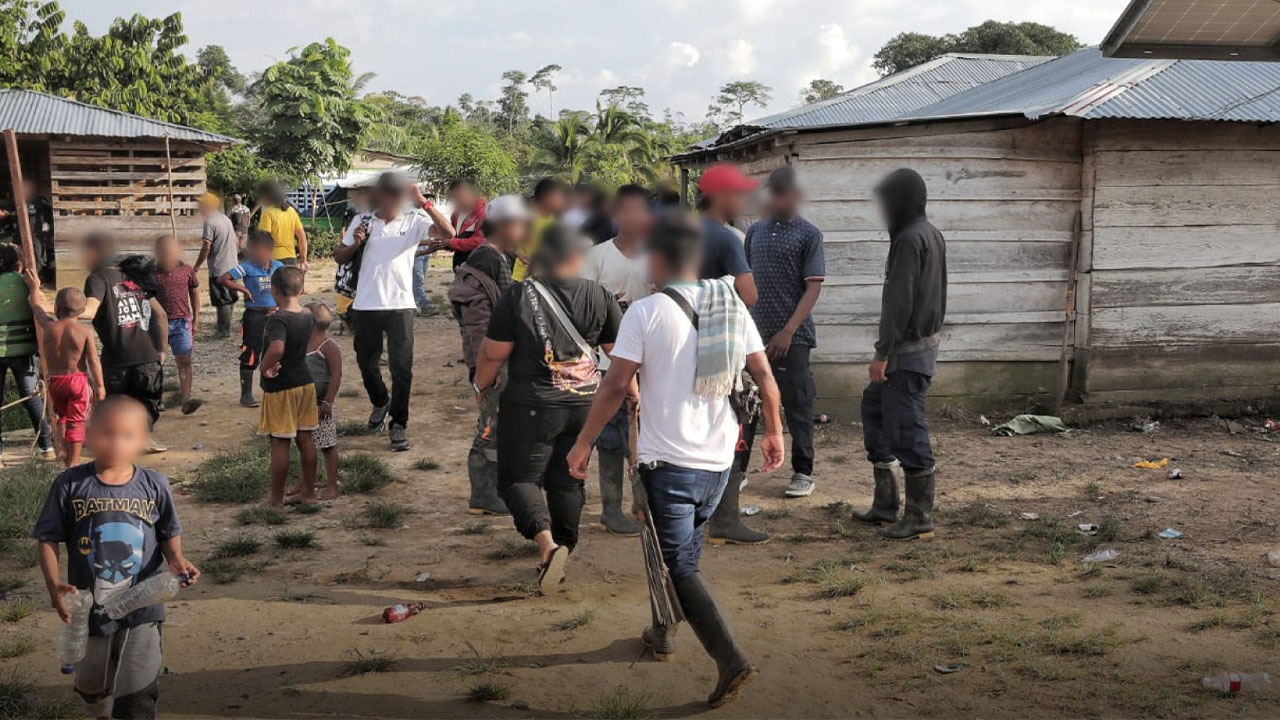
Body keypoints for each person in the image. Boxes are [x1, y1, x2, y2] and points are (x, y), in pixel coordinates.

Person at [566, 209, 783, 708]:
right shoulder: (731, 305)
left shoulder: (644, 312)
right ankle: (663, 627)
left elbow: (616, 385)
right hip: (718, 462)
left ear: (661, 259)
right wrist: (774, 431)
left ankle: (730, 657)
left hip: (669, 465)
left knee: (679, 564)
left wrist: (583, 444)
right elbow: (766, 379)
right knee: (682, 556)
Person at [474, 223, 621, 593]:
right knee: (568, 478)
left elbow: (494, 352)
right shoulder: (600, 295)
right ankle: (566, 547)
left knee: (517, 479)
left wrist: (481, 384)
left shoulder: (518, 295)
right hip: (586, 404)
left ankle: (547, 545)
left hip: (531, 406)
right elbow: (617, 354)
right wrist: (631, 393)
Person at [33, 395, 200, 719]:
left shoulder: (154, 484)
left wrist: (177, 558)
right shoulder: (70, 485)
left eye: (127, 435)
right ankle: (100, 709)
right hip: (89, 609)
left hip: (144, 606)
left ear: (143, 441)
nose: (116, 443)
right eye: (106, 433)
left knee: (137, 693)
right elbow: (48, 538)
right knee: (92, 684)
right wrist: (54, 585)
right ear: (89, 433)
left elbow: (168, 531)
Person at [852, 168, 946, 541]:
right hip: (913, 350)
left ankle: (920, 515)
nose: (884, 209)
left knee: (907, 429)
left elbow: (899, 301)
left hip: (906, 353)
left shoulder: (910, 239)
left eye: (888, 200)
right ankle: (886, 504)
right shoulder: (929, 234)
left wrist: (883, 353)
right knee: (874, 410)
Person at [333, 172, 454, 452]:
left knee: (402, 369)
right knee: (366, 364)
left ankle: (398, 424)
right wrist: (356, 242)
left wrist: (423, 201)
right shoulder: (362, 221)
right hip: (365, 304)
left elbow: (449, 234)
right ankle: (379, 401)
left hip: (400, 306)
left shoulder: (414, 221)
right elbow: (339, 256)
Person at [744, 166, 825, 499]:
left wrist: (788, 331)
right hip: (754, 334)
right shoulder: (754, 232)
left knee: (797, 404)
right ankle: (737, 470)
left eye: (786, 193)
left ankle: (803, 471)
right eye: (774, 193)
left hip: (795, 336)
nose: (780, 199)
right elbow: (744, 283)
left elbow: (812, 288)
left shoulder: (809, 234)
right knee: (746, 402)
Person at [579, 184, 653, 535]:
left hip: (653, 364)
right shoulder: (596, 257)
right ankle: (611, 508)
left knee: (649, 436)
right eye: (628, 210)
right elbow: (583, 310)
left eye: (641, 210)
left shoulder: (659, 256)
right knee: (611, 437)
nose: (635, 218)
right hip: (610, 364)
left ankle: (645, 506)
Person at [448, 195, 526, 516]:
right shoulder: (486, 259)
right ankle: (483, 493)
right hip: (492, 358)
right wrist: (486, 365)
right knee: (490, 424)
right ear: (505, 226)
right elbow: (478, 319)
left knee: (501, 423)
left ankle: (496, 489)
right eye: (520, 224)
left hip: (500, 355)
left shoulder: (499, 257)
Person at [79, 234, 169, 452]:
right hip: (148, 355)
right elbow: (161, 315)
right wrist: (162, 349)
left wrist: (55, 310)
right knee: (145, 402)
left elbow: (89, 311)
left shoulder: (97, 279)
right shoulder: (134, 276)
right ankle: (144, 438)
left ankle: (115, 443)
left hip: (117, 357)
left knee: (114, 403)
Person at [23, 271, 101, 466]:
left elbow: (36, 307)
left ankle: (63, 450)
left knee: (61, 416)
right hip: (78, 380)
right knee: (77, 422)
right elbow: (93, 361)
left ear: (56, 308)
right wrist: (100, 386)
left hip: (55, 381)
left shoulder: (49, 328)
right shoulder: (84, 331)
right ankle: (72, 463)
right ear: (82, 311)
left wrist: (35, 288)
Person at [255, 266, 318, 507]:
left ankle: (276, 501)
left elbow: (278, 348)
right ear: (301, 289)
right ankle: (309, 493)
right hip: (305, 382)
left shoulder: (278, 320)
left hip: (281, 386)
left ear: (273, 290)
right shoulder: (307, 315)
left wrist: (264, 367)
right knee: (306, 439)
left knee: (280, 442)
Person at [0, 245, 54, 462]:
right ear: (19, 264)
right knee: (31, 397)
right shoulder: (26, 284)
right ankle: (46, 446)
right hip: (24, 350)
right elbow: (46, 307)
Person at [219, 231, 283, 408]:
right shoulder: (246, 267)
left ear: (269, 251)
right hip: (254, 316)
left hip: (275, 316)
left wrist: (280, 305)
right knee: (251, 353)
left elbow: (287, 286)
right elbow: (223, 279)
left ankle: (270, 390)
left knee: (274, 352)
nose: (256, 253)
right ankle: (246, 394)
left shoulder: (279, 266)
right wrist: (244, 290)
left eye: (259, 250)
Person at [153, 235, 203, 415]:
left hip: (182, 323)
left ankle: (186, 400)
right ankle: (156, 400)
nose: (169, 255)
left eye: (172, 250)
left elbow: (195, 295)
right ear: (158, 253)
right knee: (157, 362)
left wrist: (196, 320)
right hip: (159, 324)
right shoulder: (152, 273)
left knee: (184, 361)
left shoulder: (187, 271)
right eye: (165, 251)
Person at [697, 164, 757, 308]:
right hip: (716, 324)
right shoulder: (727, 239)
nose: (743, 199)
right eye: (738, 193)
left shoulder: (684, 231)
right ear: (719, 196)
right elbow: (750, 297)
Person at [304, 302, 342, 500]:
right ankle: (304, 483)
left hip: (321, 405)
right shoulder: (301, 344)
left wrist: (328, 401)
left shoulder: (328, 346)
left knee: (327, 445)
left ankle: (331, 485)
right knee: (303, 443)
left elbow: (336, 375)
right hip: (302, 403)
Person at [194, 192, 239, 338]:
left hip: (219, 266)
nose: (199, 207)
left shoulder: (210, 222)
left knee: (222, 298)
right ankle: (226, 326)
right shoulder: (225, 219)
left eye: (201, 204)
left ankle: (223, 330)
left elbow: (206, 247)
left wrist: (197, 265)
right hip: (232, 264)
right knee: (230, 296)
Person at [512, 178, 568, 282]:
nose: (560, 200)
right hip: (522, 275)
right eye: (557, 197)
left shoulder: (554, 219)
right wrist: (519, 254)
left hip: (544, 275)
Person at [256, 181, 309, 270]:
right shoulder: (291, 211)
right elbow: (302, 236)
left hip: (273, 260)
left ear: (266, 196)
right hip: (291, 259)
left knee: (267, 283)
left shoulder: (268, 213)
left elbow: (264, 239)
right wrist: (303, 260)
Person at [442, 179, 488, 272]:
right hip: (460, 265)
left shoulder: (483, 212)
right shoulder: (456, 214)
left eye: (458, 195)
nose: (456, 200)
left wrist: (452, 243)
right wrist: (444, 243)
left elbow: (480, 241)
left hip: (478, 264)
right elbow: (453, 236)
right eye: (453, 196)